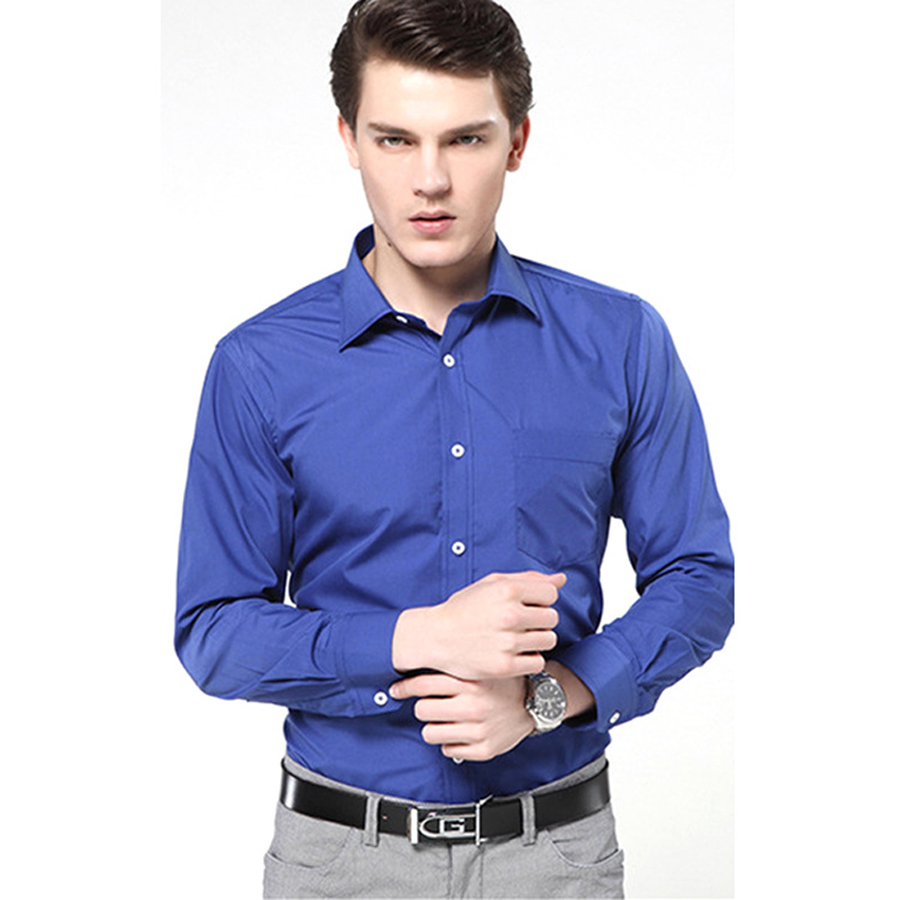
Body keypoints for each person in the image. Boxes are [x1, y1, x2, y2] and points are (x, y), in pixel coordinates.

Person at [175, 0, 734, 897]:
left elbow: (699, 579)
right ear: (349, 139)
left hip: (556, 857)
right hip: (339, 861)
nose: (429, 180)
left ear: (516, 142)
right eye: (395, 140)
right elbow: (214, 633)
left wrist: (549, 697)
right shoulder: (259, 366)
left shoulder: (619, 341)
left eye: (465, 139)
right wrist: (418, 637)